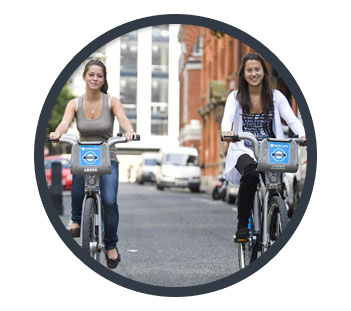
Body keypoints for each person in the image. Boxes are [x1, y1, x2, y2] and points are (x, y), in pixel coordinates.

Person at [50, 59, 136, 268]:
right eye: (91, 75)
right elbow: (64, 122)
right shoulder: (74, 103)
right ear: (84, 77)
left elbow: (123, 119)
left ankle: (110, 245)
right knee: (78, 187)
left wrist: (128, 131)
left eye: (99, 76)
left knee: (109, 200)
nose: (95, 79)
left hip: (107, 154)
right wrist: (58, 133)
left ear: (103, 79)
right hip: (83, 153)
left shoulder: (111, 101)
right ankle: (77, 221)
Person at [221, 53, 306, 239]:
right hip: (244, 147)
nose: (254, 74)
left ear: (264, 72)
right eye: (249, 70)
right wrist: (227, 132)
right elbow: (227, 119)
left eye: (257, 69)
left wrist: (302, 134)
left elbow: (292, 119)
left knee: (275, 185)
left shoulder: (276, 97)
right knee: (250, 173)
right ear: (243, 74)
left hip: (271, 149)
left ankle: (275, 216)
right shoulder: (235, 97)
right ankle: (243, 225)